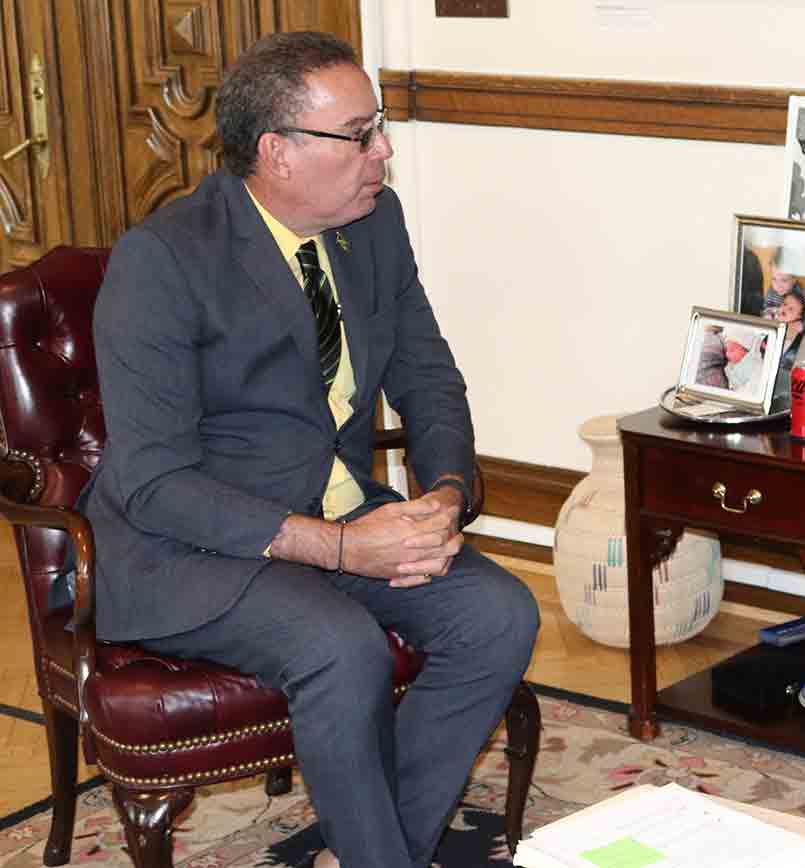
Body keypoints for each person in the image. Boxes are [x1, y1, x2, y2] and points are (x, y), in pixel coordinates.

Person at [76, 32, 540, 868]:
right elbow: (151, 482)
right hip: (194, 547)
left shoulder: (374, 225)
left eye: (381, 126)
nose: (384, 151)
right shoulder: (165, 260)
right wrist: (339, 546)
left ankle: (376, 850)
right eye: (360, 134)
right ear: (277, 152)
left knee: (499, 614)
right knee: (339, 645)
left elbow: (430, 378)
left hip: (335, 515)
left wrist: (441, 494)